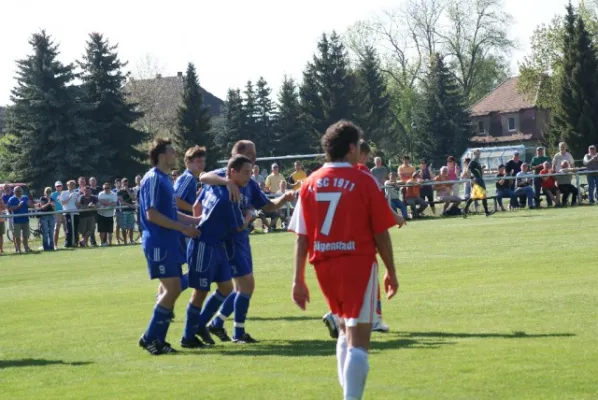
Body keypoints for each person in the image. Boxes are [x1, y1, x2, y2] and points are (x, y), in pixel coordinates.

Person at [289, 120, 399, 400]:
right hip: (357, 265)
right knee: (360, 342)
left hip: (324, 266)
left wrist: (298, 280)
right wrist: (391, 271)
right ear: (351, 148)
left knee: (343, 329)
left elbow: (301, 236)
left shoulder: (309, 182)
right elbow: (380, 233)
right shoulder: (363, 180)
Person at [200, 140, 295, 343]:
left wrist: (284, 199)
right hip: (229, 240)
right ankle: (232, 331)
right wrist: (227, 183)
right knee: (244, 286)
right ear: (239, 154)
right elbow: (203, 176)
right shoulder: (225, 174)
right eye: (251, 153)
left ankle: (217, 324)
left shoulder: (249, 181)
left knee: (242, 287)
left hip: (242, 240)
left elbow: (267, 205)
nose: (255, 157)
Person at [181, 154, 254, 348]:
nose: (250, 176)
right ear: (233, 172)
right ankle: (188, 336)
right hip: (204, 246)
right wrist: (250, 215)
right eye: (246, 172)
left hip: (217, 246)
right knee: (200, 292)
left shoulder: (218, 183)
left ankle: (200, 324)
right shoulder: (229, 196)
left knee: (226, 288)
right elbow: (239, 226)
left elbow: (200, 194)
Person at [138, 138, 201, 355]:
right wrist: (182, 228)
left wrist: (194, 220)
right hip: (158, 242)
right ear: (162, 155)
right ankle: (149, 337)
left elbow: (171, 212)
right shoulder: (154, 178)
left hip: (169, 241)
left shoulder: (164, 179)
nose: (176, 155)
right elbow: (152, 214)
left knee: (171, 290)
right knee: (172, 289)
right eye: (172, 152)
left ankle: (159, 340)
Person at [163, 146, 206, 301]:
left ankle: (163, 299)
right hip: (183, 229)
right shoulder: (187, 178)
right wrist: (195, 209)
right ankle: (166, 298)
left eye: (202, 161)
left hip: (183, 228)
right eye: (197, 161)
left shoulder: (190, 179)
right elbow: (175, 200)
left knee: (176, 270)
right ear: (187, 162)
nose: (201, 164)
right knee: (197, 270)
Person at [462, 149, 494, 218]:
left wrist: (481, 168)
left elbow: (477, 171)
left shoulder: (477, 161)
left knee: (473, 197)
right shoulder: (473, 161)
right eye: (477, 154)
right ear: (474, 154)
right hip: (478, 180)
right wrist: (471, 178)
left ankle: (465, 210)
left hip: (479, 179)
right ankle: (486, 212)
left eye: (479, 153)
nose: (479, 155)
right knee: (483, 195)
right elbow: (468, 169)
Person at [7, 186, 33, 254]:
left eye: (20, 191)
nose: (19, 192)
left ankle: (26, 248)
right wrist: (18, 206)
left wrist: (30, 204)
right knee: (17, 236)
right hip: (16, 221)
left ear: (22, 191)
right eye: (17, 191)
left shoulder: (25, 197)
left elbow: (30, 205)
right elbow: (9, 208)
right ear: (14, 192)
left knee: (25, 236)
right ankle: (18, 249)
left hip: (25, 219)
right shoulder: (11, 199)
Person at [38, 187, 56, 251]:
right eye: (47, 191)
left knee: (51, 232)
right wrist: (48, 203)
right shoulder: (42, 198)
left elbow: (54, 209)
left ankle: (51, 246)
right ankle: (45, 247)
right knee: (45, 232)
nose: (48, 193)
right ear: (45, 192)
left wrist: (53, 206)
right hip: (44, 216)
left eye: (50, 191)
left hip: (51, 216)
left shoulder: (52, 199)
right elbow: (42, 207)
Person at [51, 181, 66, 249]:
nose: (58, 187)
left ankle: (67, 243)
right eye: (57, 186)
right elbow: (52, 204)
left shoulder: (65, 193)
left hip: (65, 212)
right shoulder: (53, 194)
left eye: (59, 186)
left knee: (66, 229)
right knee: (56, 229)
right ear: (55, 187)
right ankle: (55, 245)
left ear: (62, 186)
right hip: (57, 213)